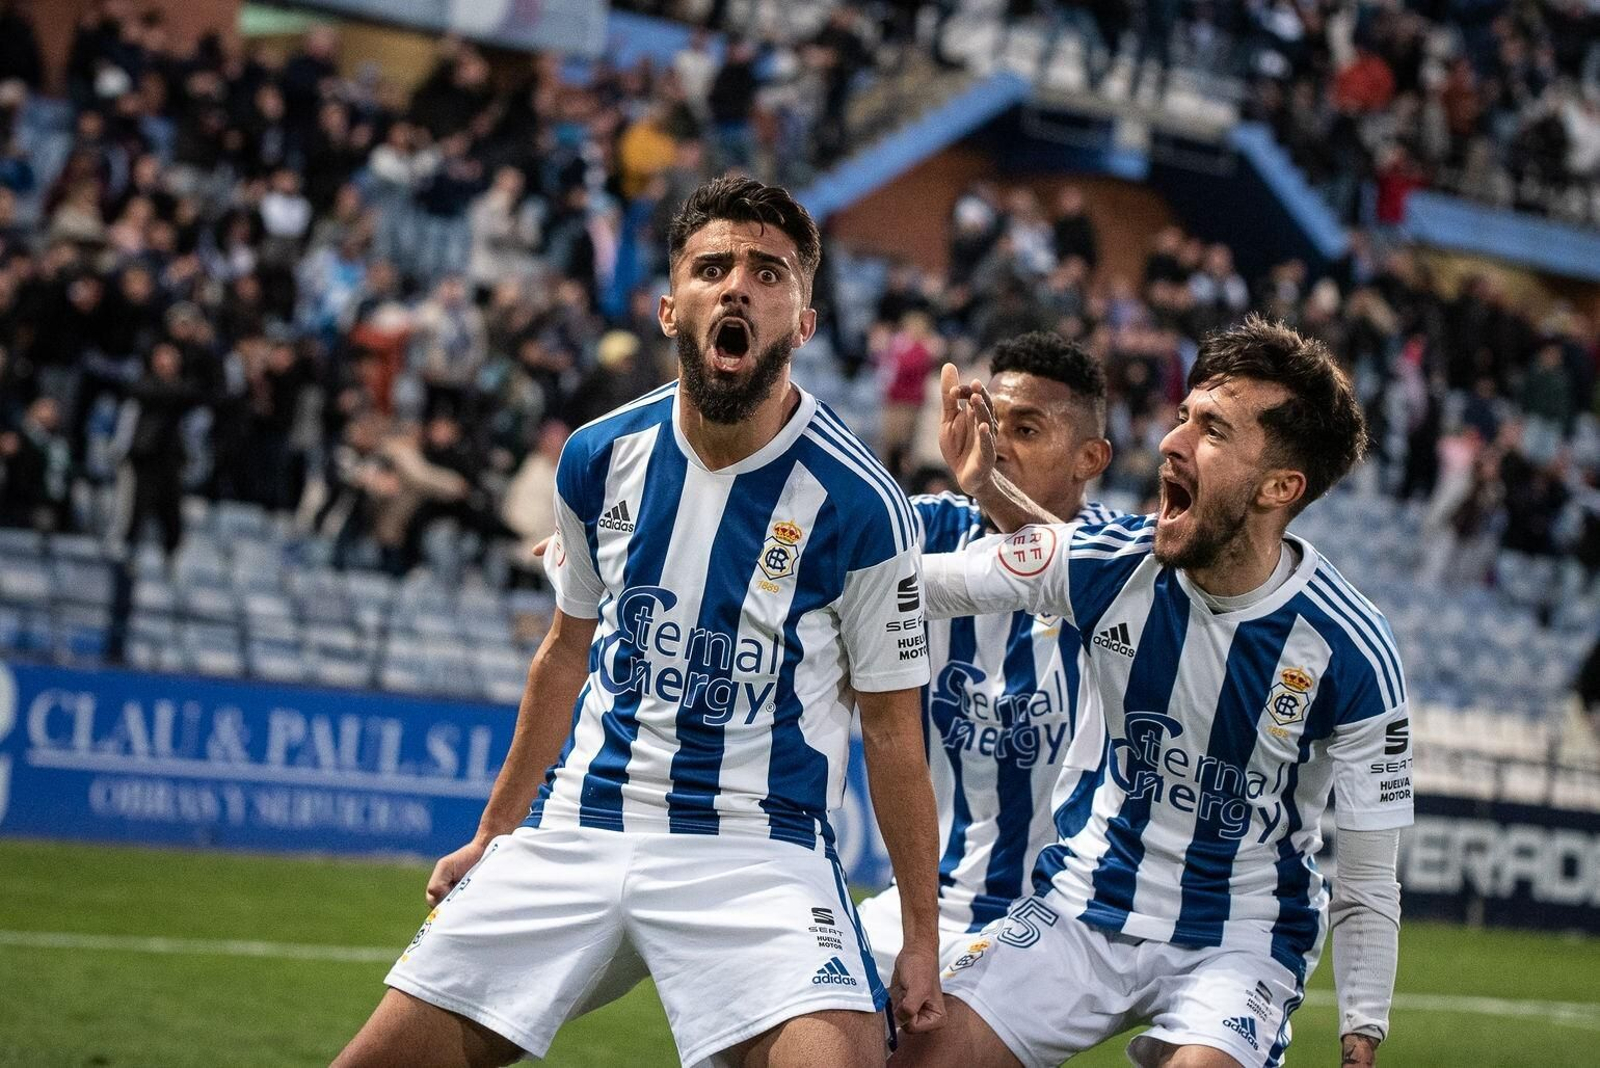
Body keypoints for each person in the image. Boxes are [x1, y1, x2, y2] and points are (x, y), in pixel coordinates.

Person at [335, 176, 944, 1068]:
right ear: (670, 309)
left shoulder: (860, 503)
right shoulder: (597, 455)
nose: (738, 286)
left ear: (804, 326)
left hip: (759, 846)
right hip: (582, 823)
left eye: (770, 273)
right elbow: (563, 652)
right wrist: (494, 833)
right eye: (713, 267)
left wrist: (920, 938)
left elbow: (893, 733)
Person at [895, 316, 1411, 1068]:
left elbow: (1367, 875)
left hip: (1240, 944)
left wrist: (1362, 1027)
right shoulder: (1103, 564)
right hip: (1077, 911)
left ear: (1281, 486)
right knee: (921, 1057)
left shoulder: (1352, 650)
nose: (1171, 442)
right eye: (1183, 416)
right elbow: (918, 585)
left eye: (1213, 430)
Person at [855, 331, 1119, 977]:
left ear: (1090, 457)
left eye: (1026, 430)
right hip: (919, 903)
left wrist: (989, 490)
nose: (997, 445)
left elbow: (1061, 564)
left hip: (1055, 918)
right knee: (780, 1009)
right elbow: (810, 527)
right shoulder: (932, 529)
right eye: (988, 424)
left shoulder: (1120, 560)